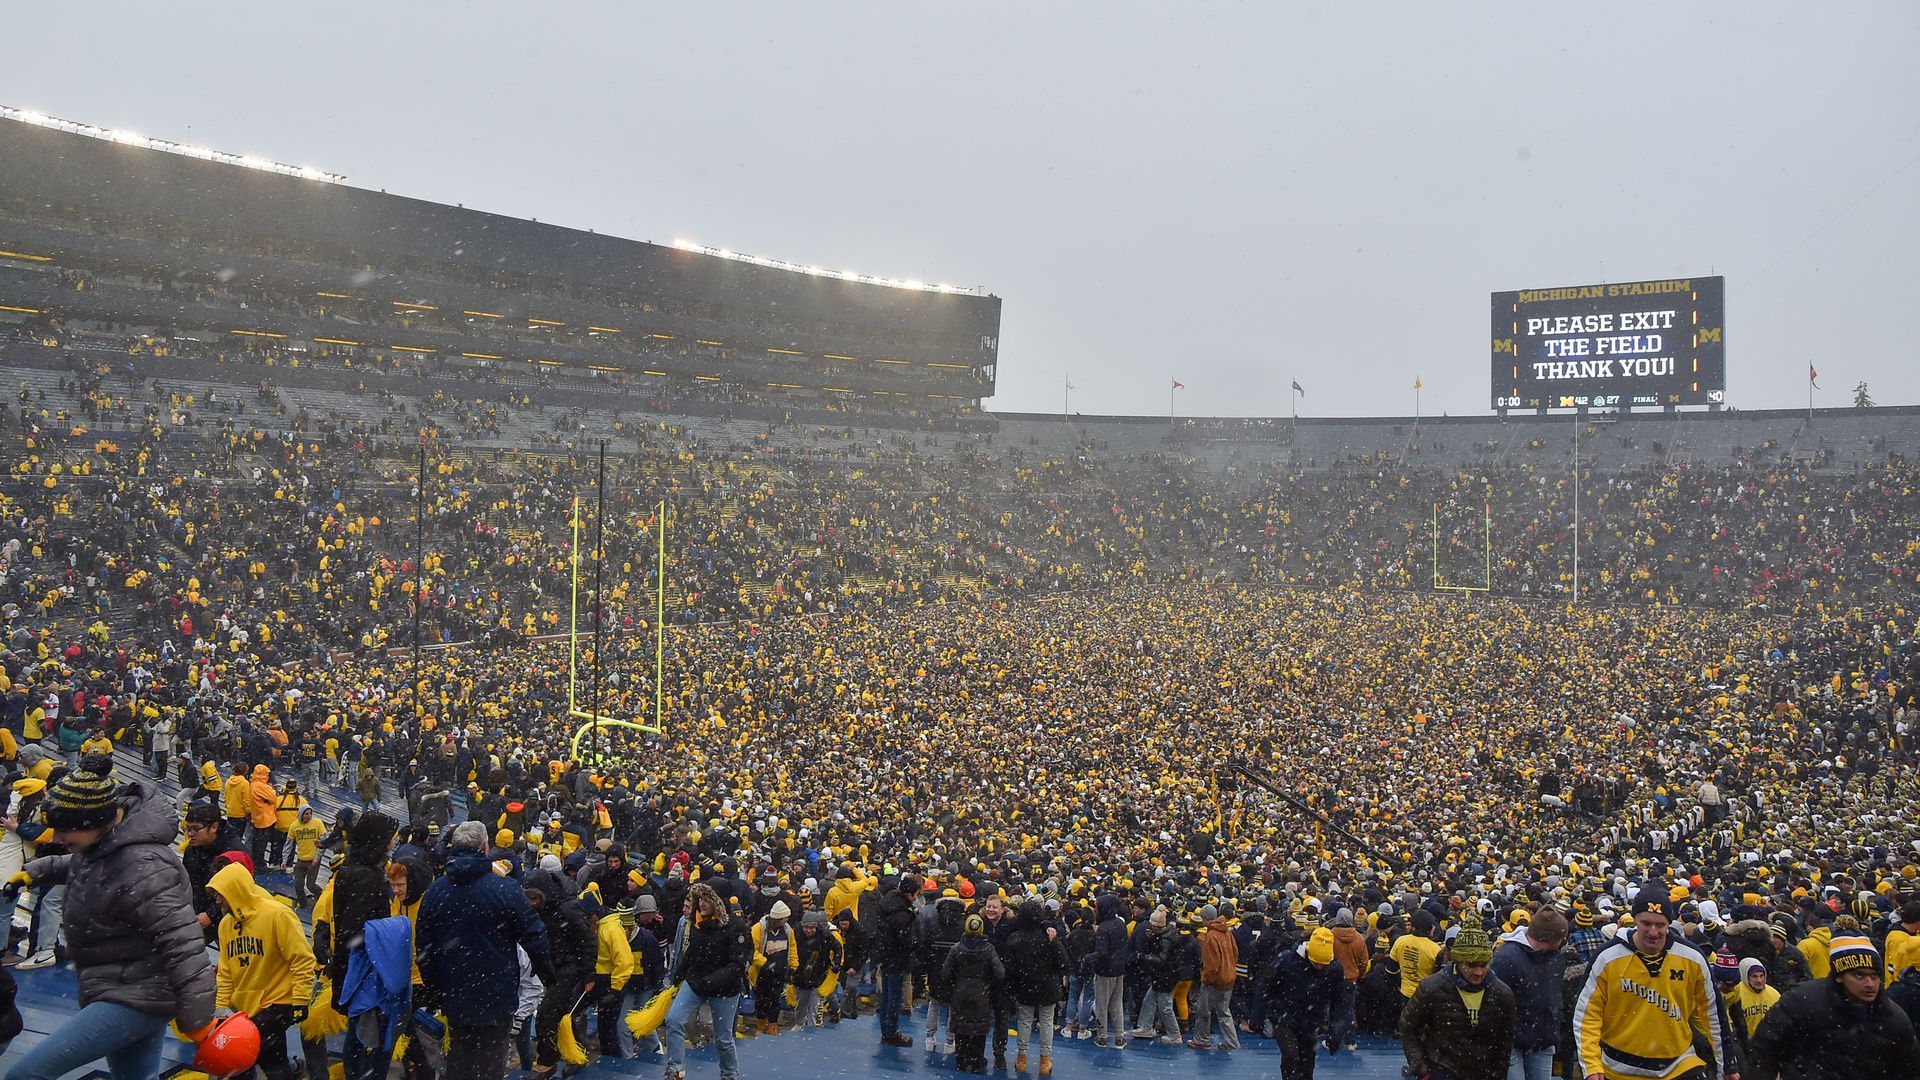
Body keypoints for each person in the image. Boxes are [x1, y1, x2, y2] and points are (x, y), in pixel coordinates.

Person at [3, 757, 216, 1080]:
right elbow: (85, 867)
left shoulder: (144, 866)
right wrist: (35, 872)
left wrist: (200, 1021)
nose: (57, 838)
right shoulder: (108, 845)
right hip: (131, 985)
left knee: (27, 1075)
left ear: (94, 822)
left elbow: (182, 943)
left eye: (65, 829)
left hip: (135, 995)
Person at [415, 819, 553, 1080]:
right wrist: (546, 973)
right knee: (489, 1065)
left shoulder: (436, 891)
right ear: (484, 848)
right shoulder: (505, 889)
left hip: (455, 995)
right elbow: (535, 936)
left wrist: (435, 991)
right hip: (496, 996)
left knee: (459, 1059)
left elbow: (424, 948)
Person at [1572, 887, 1728, 1080]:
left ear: (1669, 924)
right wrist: (1591, 1065)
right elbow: (1587, 1015)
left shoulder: (1692, 957)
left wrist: (1727, 1064)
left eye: (1660, 925)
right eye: (1646, 923)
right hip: (1619, 1069)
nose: (1653, 932)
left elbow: (1712, 1014)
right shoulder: (1607, 957)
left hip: (1678, 1065)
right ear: (1635, 919)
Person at [1746, 934, 1920, 1080]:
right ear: (1839, 976)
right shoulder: (1801, 1002)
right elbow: (1764, 1051)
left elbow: (1909, 1069)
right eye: (1859, 975)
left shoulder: (1894, 1018)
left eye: (1874, 976)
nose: (1869, 984)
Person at [209, 861, 317, 1080]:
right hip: (246, 1009)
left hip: (277, 1003)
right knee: (272, 1062)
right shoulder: (226, 925)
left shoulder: (277, 914)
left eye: (220, 894)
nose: (217, 900)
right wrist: (221, 1011)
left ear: (235, 891)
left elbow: (302, 959)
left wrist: (300, 1000)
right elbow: (226, 973)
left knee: (239, 1059)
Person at [1402, 914, 1518, 1080]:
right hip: (1441, 1070)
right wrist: (1422, 1068)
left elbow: (1505, 1041)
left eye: (1483, 965)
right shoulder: (1432, 988)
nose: (1478, 972)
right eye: (1471, 965)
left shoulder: (1502, 994)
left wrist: (1498, 1074)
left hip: (1482, 1072)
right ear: (1458, 961)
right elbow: (1408, 1027)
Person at [662, 882, 751, 1080]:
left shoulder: (736, 927)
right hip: (695, 982)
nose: (701, 903)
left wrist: (710, 981)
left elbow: (737, 965)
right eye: (699, 898)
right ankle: (675, 1069)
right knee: (673, 1019)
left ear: (718, 901)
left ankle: (729, 1074)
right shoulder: (697, 921)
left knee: (723, 1038)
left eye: (706, 899)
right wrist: (679, 973)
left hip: (725, 990)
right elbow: (693, 950)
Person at [1491, 906, 1569, 1080]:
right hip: (1511, 1042)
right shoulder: (1507, 957)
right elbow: (1495, 1003)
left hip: (1543, 1039)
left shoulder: (1555, 957)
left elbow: (1555, 995)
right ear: (1552, 938)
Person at [1263, 925, 1347, 1080]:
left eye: (1323, 964)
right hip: (1284, 1017)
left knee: (1307, 1062)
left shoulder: (1335, 969)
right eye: (1316, 963)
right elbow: (1266, 986)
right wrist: (1260, 1015)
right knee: (1291, 1056)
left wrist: (1335, 1033)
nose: (1320, 967)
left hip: (1311, 1021)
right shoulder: (1287, 961)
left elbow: (1340, 1002)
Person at [1003, 897, 1068, 1075]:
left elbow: (1010, 967)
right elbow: (1063, 961)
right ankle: (1044, 1061)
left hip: (1025, 986)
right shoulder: (1049, 936)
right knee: (1046, 1023)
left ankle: (1022, 1059)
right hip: (1048, 987)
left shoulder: (1014, 938)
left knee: (1024, 1022)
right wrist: (1055, 942)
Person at [942, 913, 1005, 1075]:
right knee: (979, 1028)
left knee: (961, 1027)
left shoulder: (957, 949)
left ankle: (961, 1059)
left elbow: (945, 973)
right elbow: (1000, 973)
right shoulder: (989, 949)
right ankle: (977, 1060)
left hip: (960, 992)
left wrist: (955, 982)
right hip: (981, 994)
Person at [873, 873, 919, 1047]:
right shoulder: (902, 914)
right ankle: (891, 1033)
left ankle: (886, 1030)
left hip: (886, 956)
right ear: (909, 894)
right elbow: (906, 940)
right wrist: (916, 943)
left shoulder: (888, 903)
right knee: (894, 997)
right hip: (897, 958)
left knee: (886, 996)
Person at [1188, 903, 1239, 1051]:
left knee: (1203, 1011)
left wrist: (1206, 980)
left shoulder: (1211, 936)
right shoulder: (1227, 931)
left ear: (1204, 919)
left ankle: (1201, 1039)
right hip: (1229, 976)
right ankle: (1232, 1042)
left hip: (1215, 981)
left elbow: (1211, 964)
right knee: (1224, 1012)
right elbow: (1235, 953)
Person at [1128, 905, 1182, 1045]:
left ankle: (1175, 1034)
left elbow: (1161, 960)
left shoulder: (1164, 939)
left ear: (1156, 926)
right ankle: (1146, 1027)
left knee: (1165, 1006)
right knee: (1149, 1000)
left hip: (1164, 976)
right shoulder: (1167, 935)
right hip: (1165, 975)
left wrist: (1144, 956)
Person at [748, 898, 796, 1034]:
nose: (786, 921)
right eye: (784, 918)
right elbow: (752, 950)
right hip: (762, 972)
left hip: (780, 972)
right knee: (761, 1000)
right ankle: (761, 1023)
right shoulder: (758, 929)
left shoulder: (787, 930)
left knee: (775, 1000)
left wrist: (793, 967)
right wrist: (765, 963)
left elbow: (792, 948)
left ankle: (773, 1024)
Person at [286, 805, 327, 909]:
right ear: (301, 815)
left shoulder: (318, 823)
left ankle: (323, 898)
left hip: (314, 860)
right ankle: (304, 905)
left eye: (310, 814)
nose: (309, 816)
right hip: (301, 859)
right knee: (298, 884)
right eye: (306, 814)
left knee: (311, 885)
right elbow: (288, 844)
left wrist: (318, 857)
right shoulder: (294, 826)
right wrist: (284, 859)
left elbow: (324, 842)